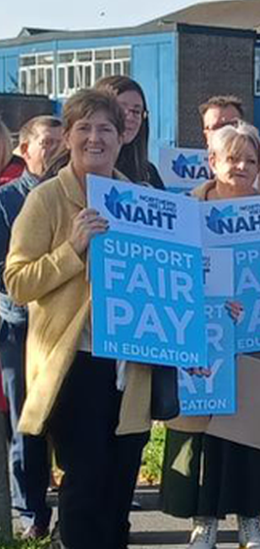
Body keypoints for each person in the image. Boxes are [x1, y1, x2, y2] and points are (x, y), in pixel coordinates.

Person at [4, 89, 154, 549]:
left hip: (134, 363)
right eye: (84, 128)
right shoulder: (46, 199)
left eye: (105, 128)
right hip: (76, 363)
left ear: (122, 136)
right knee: (85, 485)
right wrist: (72, 249)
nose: (95, 138)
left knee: (119, 486)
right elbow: (18, 282)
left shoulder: (144, 199)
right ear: (67, 137)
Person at [159, 122, 260, 549]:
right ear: (213, 162)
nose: (241, 166)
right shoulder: (184, 213)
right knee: (201, 437)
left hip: (259, 344)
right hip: (201, 343)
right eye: (232, 158)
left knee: (250, 438)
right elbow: (170, 277)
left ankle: (250, 522)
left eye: (250, 159)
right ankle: (203, 522)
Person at [0, 115, 62, 539]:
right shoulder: (7, 200)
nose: (58, 149)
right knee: (27, 420)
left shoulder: (76, 195)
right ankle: (31, 514)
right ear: (24, 148)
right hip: (20, 327)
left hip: (65, 326)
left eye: (63, 141)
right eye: (48, 143)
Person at [96, 75, 165, 189]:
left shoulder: (148, 172)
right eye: (121, 109)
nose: (129, 117)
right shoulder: (76, 169)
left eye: (136, 111)